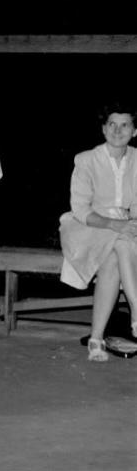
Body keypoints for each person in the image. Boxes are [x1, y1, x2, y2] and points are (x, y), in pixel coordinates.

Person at [59, 105, 137, 361]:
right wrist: (116, 225)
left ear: (134, 131)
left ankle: (96, 339)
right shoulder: (86, 160)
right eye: (112, 124)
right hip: (87, 227)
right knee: (121, 241)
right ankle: (136, 310)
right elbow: (80, 209)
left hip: (124, 227)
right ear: (103, 129)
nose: (117, 130)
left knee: (117, 253)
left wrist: (128, 223)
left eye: (124, 125)